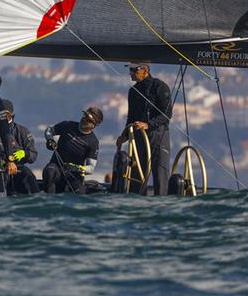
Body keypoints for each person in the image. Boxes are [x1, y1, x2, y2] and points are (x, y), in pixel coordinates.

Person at [116, 62, 172, 196]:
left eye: (134, 70)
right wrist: (124, 135)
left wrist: (149, 124)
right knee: (137, 176)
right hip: (139, 137)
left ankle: (161, 202)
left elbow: (167, 115)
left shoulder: (160, 86)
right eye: (130, 70)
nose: (131, 73)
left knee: (160, 174)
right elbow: (131, 117)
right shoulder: (132, 91)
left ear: (145, 70)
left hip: (158, 135)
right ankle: (137, 204)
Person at [42, 107, 103, 194]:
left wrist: (77, 168)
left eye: (89, 120)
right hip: (56, 167)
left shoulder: (93, 142)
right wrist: (49, 140)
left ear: (94, 125)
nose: (85, 120)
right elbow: (49, 130)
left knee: (80, 192)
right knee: (49, 171)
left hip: (74, 175)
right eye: (84, 116)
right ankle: (49, 201)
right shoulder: (68, 125)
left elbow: (91, 169)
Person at [0, 99, 39, 195]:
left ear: (10, 115)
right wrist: (3, 162)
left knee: (29, 177)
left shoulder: (22, 131)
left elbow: (33, 154)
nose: (1, 117)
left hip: (19, 168)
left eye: (4, 115)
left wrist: (25, 153)